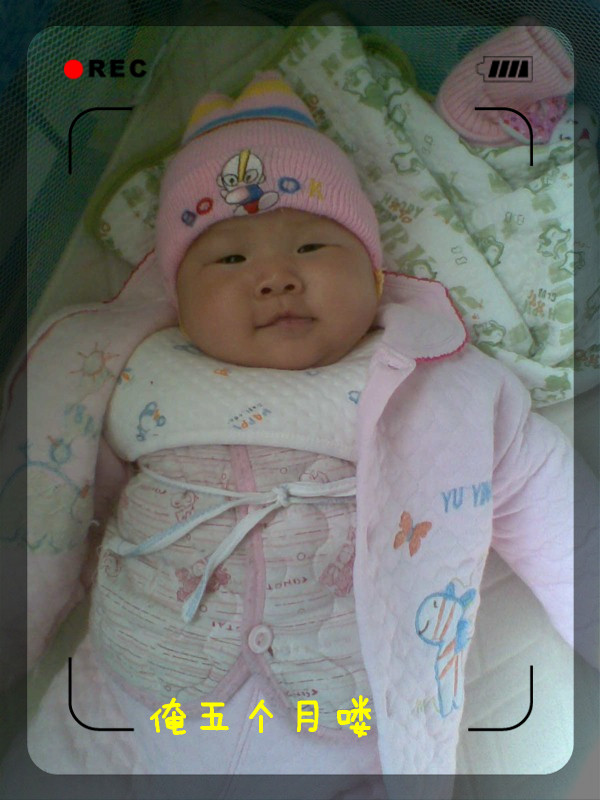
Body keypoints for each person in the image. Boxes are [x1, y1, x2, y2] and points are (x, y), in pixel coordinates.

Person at [0, 71, 581, 795]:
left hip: (339, 729)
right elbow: (49, 511)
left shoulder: (432, 384)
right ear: (179, 301)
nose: (275, 276)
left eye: (312, 247)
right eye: (230, 258)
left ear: (374, 279)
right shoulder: (135, 370)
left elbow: (554, 512)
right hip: (130, 705)